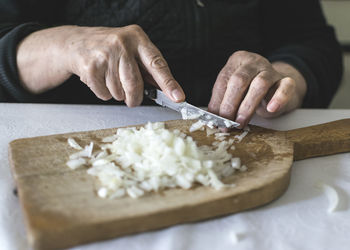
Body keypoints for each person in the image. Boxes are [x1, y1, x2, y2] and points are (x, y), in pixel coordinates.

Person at [0, 0, 342, 128]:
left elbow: (312, 41)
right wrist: (62, 45)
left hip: (243, 142)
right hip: (72, 152)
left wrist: (284, 76)